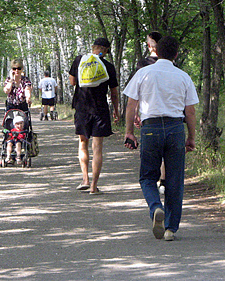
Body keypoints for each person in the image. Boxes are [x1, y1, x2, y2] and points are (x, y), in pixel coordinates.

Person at [123, 36, 198, 241]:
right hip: (175, 128)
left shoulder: (143, 73)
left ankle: (156, 207)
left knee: (147, 176)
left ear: (156, 52)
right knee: (174, 180)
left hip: (150, 128)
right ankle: (170, 229)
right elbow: (190, 111)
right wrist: (191, 137)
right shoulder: (183, 76)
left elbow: (131, 105)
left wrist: (129, 131)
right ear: (176, 54)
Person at [69, 37, 120, 195]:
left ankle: (85, 179)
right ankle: (94, 187)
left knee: (83, 143)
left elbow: (72, 82)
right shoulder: (108, 66)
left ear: (93, 47)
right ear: (106, 50)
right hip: (100, 110)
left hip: (82, 108)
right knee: (97, 148)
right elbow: (114, 93)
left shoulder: (79, 60)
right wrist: (116, 111)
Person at [135, 31, 166, 195]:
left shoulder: (144, 64)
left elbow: (139, 91)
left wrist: (136, 111)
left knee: (152, 148)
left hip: (149, 111)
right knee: (165, 149)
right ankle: (164, 180)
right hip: (168, 111)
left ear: (149, 45)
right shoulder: (170, 64)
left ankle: (152, 181)